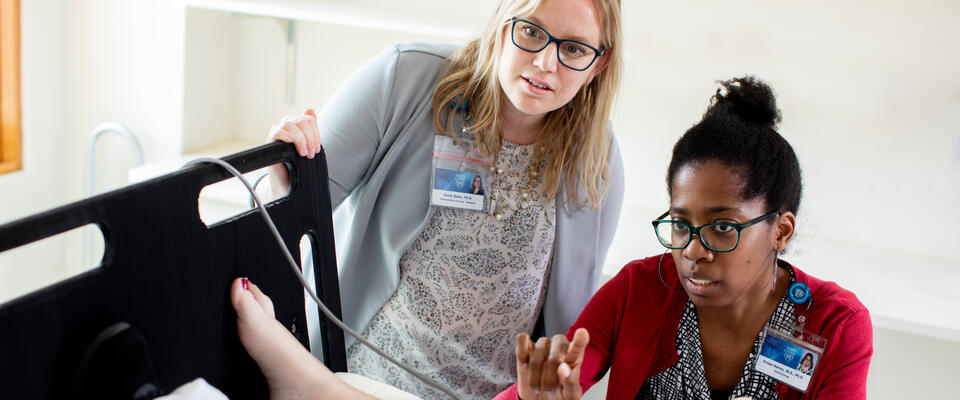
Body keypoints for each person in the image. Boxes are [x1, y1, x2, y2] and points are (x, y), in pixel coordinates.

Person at [261, 0, 624, 398]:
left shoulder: (596, 160)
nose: (545, 63)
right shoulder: (405, 77)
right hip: (363, 380)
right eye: (532, 32)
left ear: (598, 64)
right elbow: (285, 213)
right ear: (503, 24)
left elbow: (573, 326)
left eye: (573, 49)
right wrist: (282, 176)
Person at [497, 77, 874, 400]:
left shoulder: (835, 324)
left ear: (780, 230)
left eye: (723, 227)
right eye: (680, 224)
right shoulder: (638, 291)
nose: (693, 250)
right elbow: (559, 378)